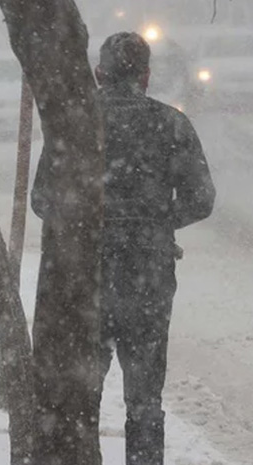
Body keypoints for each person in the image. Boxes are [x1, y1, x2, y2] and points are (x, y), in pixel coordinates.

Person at [31, 32, 215, 465]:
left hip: (86, 277)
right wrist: (155, 221)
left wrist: (88, 222)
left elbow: (43, 198)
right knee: (146, 399)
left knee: (82, 393)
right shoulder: (170, 124)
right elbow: (201, 198)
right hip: (148, 279)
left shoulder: (75, 125)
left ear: (99, 73)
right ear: (146, 76)